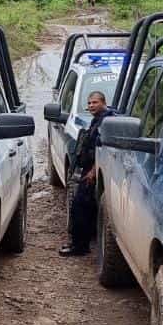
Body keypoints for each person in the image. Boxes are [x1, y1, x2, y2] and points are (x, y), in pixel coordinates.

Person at [60, 89, 113, 257]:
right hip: (90, 170)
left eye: (95, 102)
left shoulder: (107, 121)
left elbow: (104, 148)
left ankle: (80, 246)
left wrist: (93, 171)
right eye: (89, 103)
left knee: (79, 207)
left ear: (103, 102)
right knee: (86, 207)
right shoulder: (97, 120)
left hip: (94, 172)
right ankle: (83, 243)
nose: (91, 106)